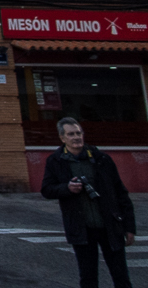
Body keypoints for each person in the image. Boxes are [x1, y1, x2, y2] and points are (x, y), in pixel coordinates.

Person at [42, 117, 136, 288]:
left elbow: (121, 193)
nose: (76, 137)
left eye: (79, 133)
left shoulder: (101, 159)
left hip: (109, 226)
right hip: (81, 228)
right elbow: (47, 189)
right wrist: (67, 188)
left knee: (121, 276)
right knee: (88, 277)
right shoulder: (55, 161)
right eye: (71, 134)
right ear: (62, 138)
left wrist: (129, 227)